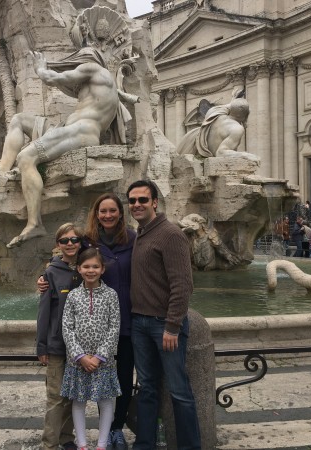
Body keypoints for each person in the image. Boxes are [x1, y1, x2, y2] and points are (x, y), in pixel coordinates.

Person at [0, 47, 132, 249]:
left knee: (26, 157)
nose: (77, 67)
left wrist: (40, 68)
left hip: (82, 132)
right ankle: (3, 166)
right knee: (19, 119)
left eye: (77, 64)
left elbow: (54, 78)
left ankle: (34, 223)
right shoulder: (99, 84)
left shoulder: (93, 68)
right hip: (70, 129)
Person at [38, 193, 135, 450]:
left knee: (108, 394)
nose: (70, 243)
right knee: (67, 398)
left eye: (74, 240)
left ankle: (105, 436)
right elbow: (57, 316)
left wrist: (101, 354)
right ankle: (61, 442)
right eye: (102, 211)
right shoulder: (67, 270)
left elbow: (113, 325)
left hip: (107, 346)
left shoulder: (131, 239)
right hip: (72, 353)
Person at [127, 179, 202, 449]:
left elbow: (183, 284)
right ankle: (144, 442)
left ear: (155, 202)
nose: (136, 204)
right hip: (139, 323)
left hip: (163, 326)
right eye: (132, 201)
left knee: (179, 390)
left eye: (142, 200)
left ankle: (190, 446)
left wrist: (172, 325)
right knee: (147, 387)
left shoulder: (170, 234)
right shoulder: (141, 234)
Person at [61, 247, 122, 450]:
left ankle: (102, 444)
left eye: (95, 266)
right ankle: (82, 444)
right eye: (86, 266)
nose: (91, 270)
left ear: (102, 269)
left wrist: (99, 356)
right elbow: (67, 327)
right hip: (77, 362)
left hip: (103, 362)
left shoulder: (111, 295)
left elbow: (114, 327)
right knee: (78, 401)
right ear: (79, 269)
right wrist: (80, 356)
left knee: (105, 401)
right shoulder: (73, 296)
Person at [37, 223, 83, 450]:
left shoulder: (87, 267)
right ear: (58, 245)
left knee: (73, 396)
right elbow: (44, 312)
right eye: (65, 240)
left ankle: (67, 438)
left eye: (74, 239)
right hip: (57, 345)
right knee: (56, 397)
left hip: (82, 346)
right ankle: (49, 444)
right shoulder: (51, 273)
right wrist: (41, 346)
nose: (70, 244)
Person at [176, 89, 259, 161]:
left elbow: (230, 106)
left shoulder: (214, 112)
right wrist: (245, 155)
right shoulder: (237, 129)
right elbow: (221, 153)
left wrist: (235, 99)